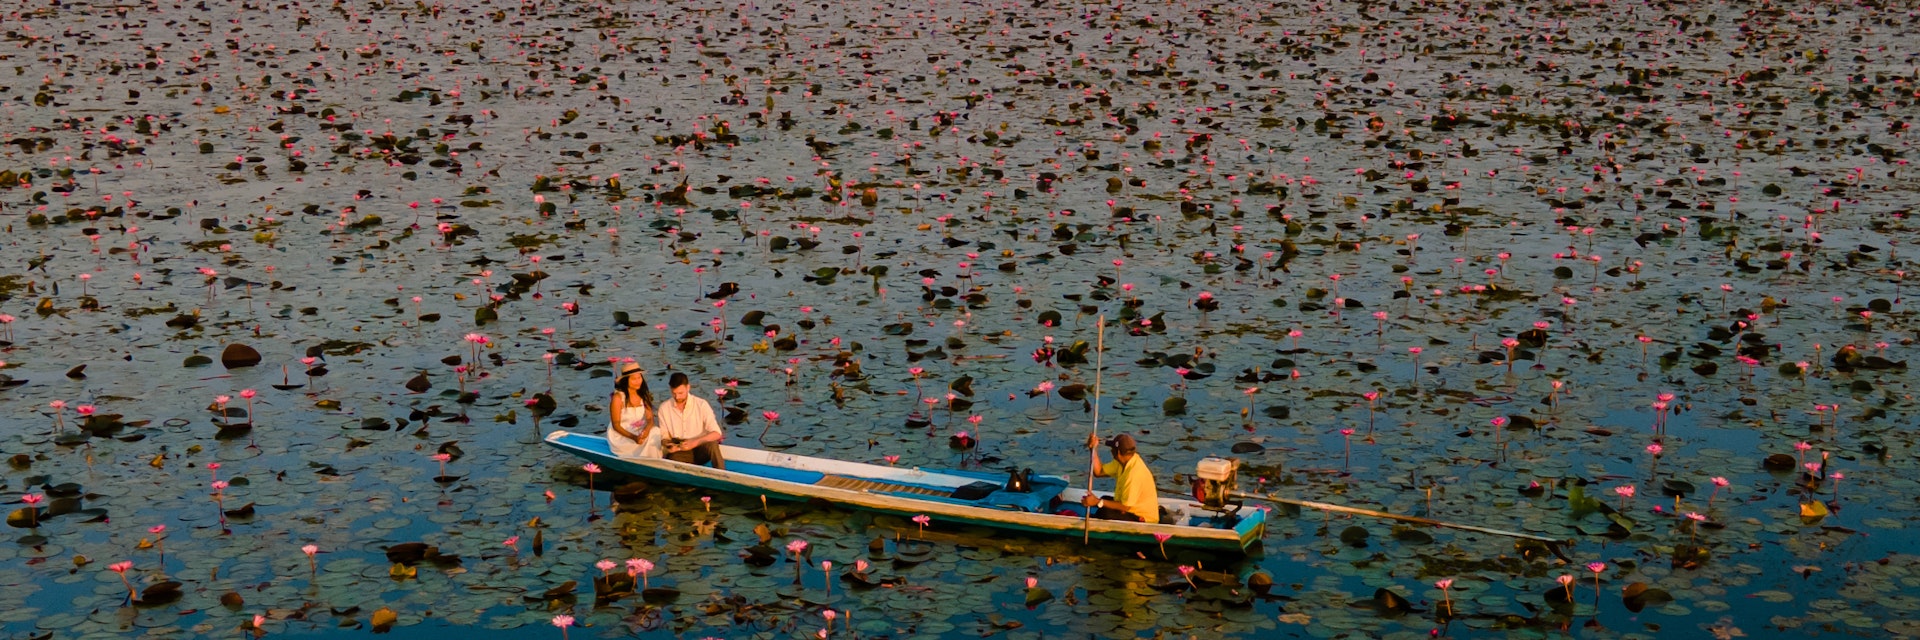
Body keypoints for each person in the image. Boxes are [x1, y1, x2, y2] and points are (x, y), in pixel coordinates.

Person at [654, 372, 726, 469]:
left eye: (680, 393)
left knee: (712, 445)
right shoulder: (664, 408)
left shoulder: (701, 405)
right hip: (680, 451)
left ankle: (722, 473)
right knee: (672, 459)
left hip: (700, 448)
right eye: (674, 393)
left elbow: (717, 433)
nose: (677, 397)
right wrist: (669, 445)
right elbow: (664, 436)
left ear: (688, 387)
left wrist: (694, 442)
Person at [1081, 433, 1158, 523]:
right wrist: (1093, 450)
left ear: (1117, 452)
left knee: (1105, 512)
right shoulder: (1122, 462)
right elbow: (1099, 472)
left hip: (1142, 517)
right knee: (1105, 498)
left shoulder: (1134, 474)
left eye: (1112, 449)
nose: (1111, 451)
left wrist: (1098, 501)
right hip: (1129, 508)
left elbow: (1126, 506)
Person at [607, 362, 661, 459]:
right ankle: (645, 459)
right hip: (623, 437)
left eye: (639, 378)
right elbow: (616, 425)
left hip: (640, 433)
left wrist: (647, 431)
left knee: (656, 431)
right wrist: (634, 437)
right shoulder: (618, 398)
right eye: (633, 379)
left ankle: (653, 461)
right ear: (626, 381)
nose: (638, 381)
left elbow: (650, 419)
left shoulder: (644, 395)